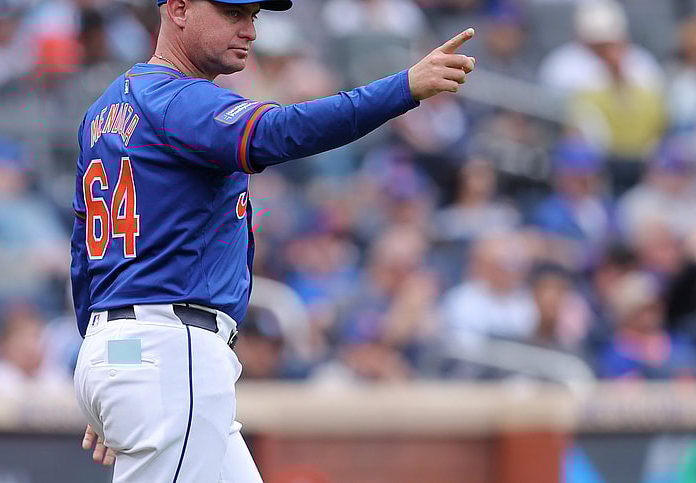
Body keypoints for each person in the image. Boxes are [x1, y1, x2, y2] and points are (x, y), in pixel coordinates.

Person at [70, 1, 476, 481]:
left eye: (252, 17)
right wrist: (402, 88)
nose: (249, 30)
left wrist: (109, 360)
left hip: (128, 346)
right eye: (232, 13)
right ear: (178, 9)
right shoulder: (178, 100)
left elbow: (83, 257)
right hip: (169, 349)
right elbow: (281, 131)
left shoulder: (107, 108)